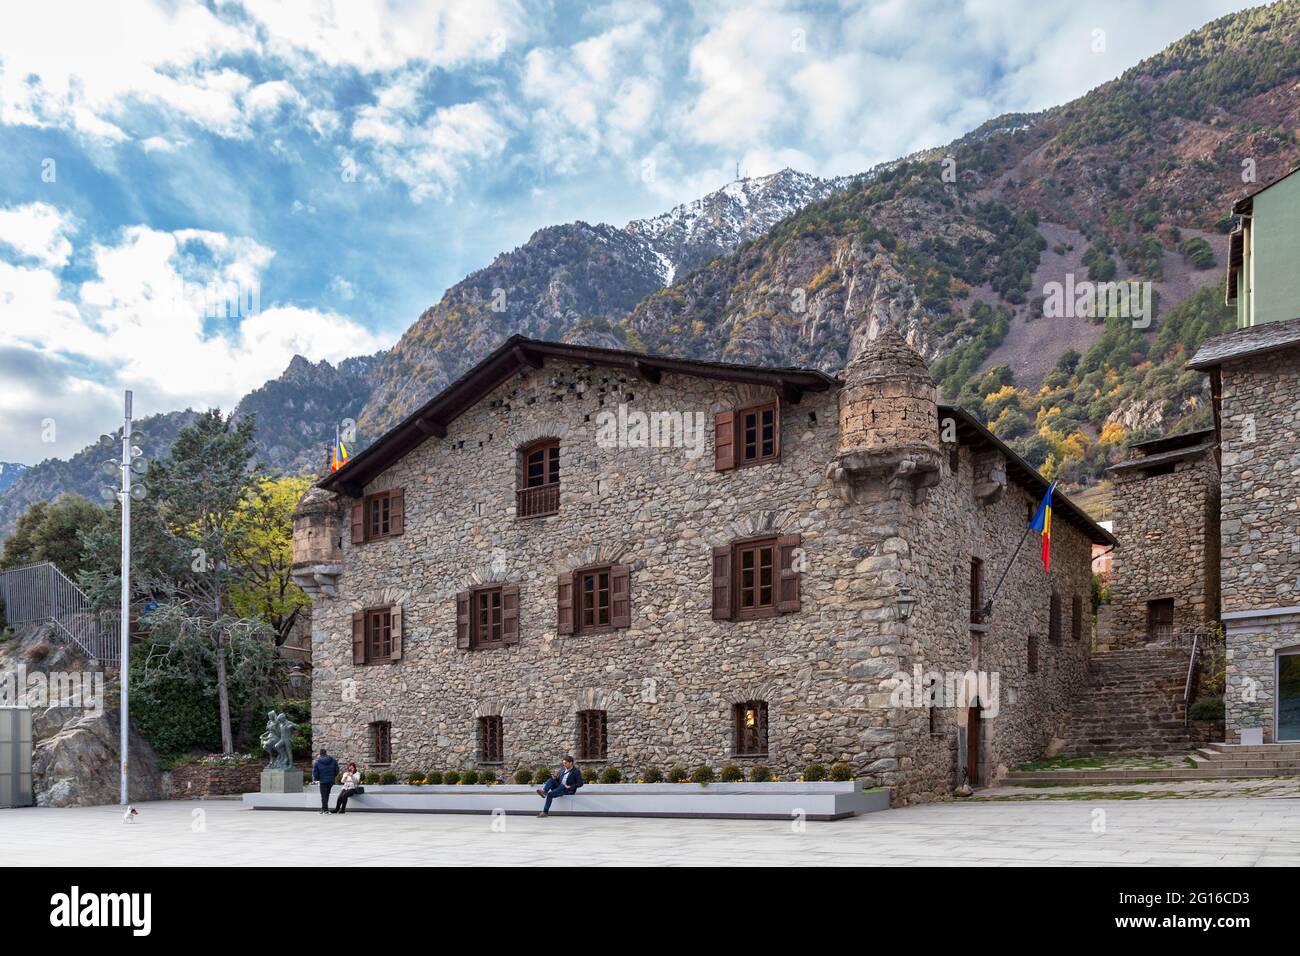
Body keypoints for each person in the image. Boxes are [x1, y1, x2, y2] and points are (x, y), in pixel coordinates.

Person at [312, 748, 339, 815]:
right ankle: (324, 809)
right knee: (326, 794)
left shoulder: (317, 762)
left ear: (320, 754)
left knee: (324, 795)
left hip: (323, 781)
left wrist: (317, 779)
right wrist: (333, 776)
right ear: (326, 753)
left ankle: (325, 810)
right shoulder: (333, 760)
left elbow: (315, 772)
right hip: (331, 780)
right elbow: (337, 769)